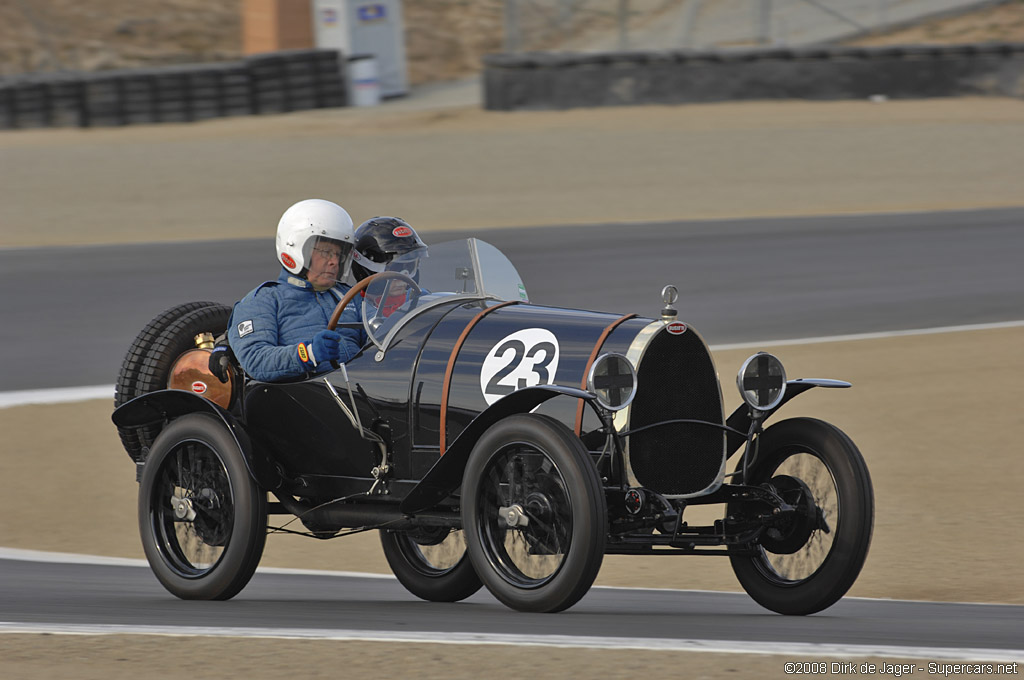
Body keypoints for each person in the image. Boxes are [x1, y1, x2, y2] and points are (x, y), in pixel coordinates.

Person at [227, 199, 366, 382]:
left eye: (338, 254)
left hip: (366, 391)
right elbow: (255, 359)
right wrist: (308, 354)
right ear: (295, 248)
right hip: (306, 397)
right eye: (325, 252)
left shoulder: (351, 296)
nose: (334, 261)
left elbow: (382, 341)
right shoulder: (263, 300)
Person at [351, 216, 429, 317]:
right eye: (395, 269)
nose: (403, 277)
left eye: (409, 267)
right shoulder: (351, 308)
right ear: (367, 269)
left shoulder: (422, 300)